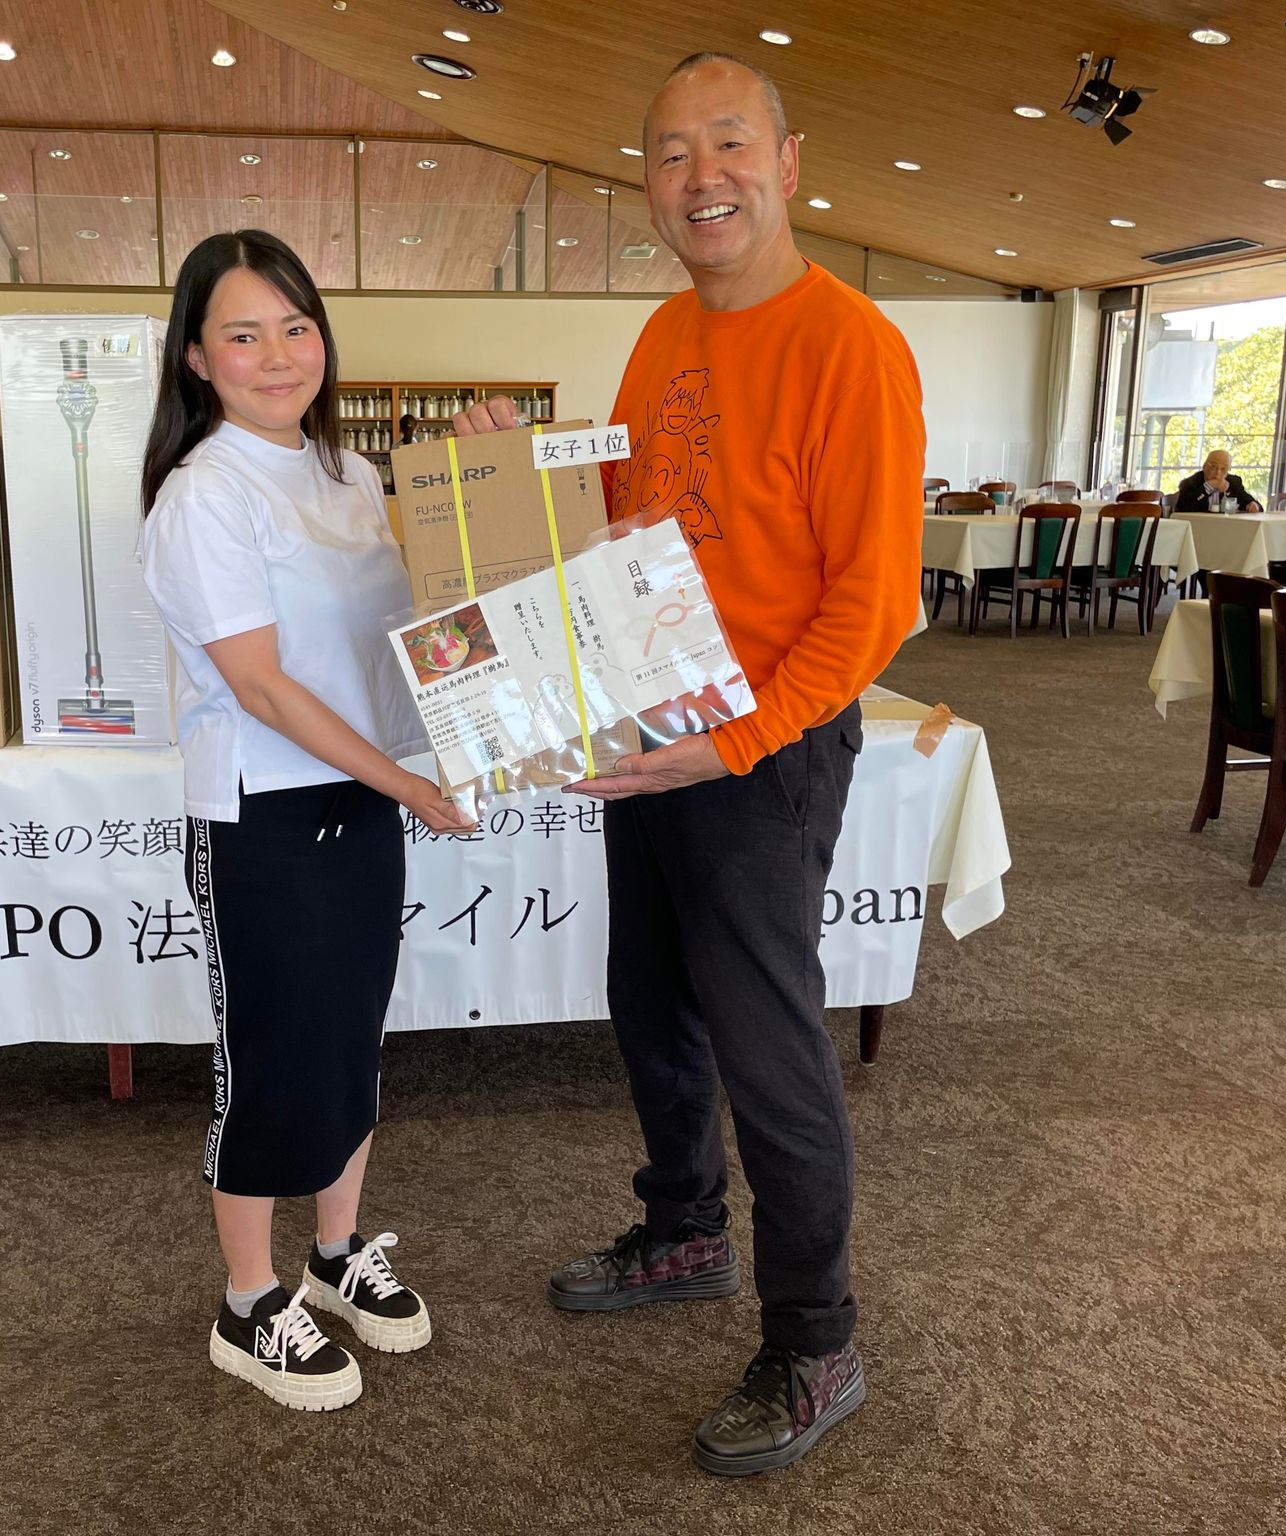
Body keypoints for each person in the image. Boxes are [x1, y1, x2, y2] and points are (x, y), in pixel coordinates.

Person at [455, 53, 922, 1475]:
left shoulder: (852, 348)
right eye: (669, 153)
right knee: (648, 996)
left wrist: (731, 744)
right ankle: (682, 1230)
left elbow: (872, 605)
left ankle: (815, 1338)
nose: (699, 176)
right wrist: (515, 469)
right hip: (651, 728)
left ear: (787, 162)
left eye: (727, 144)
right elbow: (626, 513)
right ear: (648, 183)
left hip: (760, 751)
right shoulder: (665, 333)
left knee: (768, 1045)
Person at [139, 229, 473, 1413]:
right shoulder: (203, 495)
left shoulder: (349, 476)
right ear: (196, 357)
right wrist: (410, 785)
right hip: (264, 813)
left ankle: (333, 1254)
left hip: (362, 795)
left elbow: (418, 630)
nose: (277, 354)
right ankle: (247, 1303)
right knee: (272, 1059)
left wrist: (482, 485)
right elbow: (264, 687)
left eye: (295, 327)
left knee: (348, 1040)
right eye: (242, 333)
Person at [1173, 450, 1261, 512]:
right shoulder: (1189, 483)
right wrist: (1208, 487)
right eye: (1213, 467)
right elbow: (1183, 509)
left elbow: (1253, 503)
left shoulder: (1234, 482)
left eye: (1223, 469)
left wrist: (1253, 505)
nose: (1218, 472)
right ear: (1205, 466)